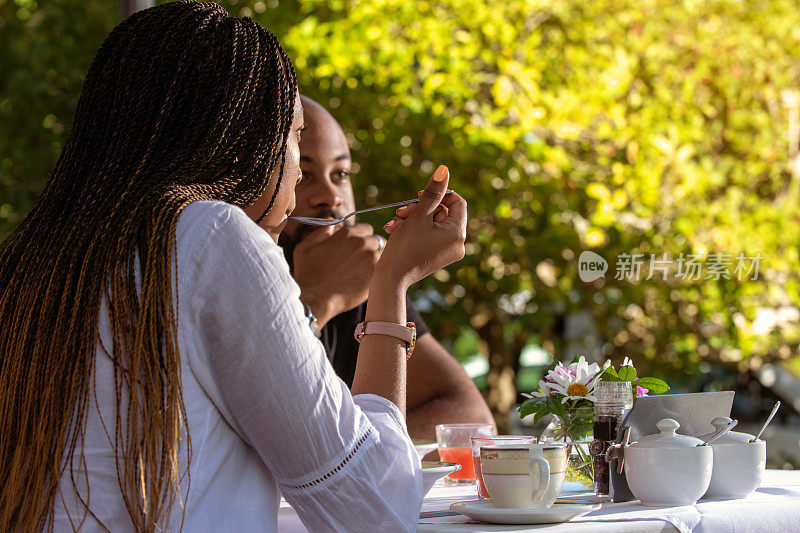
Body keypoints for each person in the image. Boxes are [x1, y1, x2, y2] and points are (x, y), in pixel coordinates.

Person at [0, 3, 468, 531]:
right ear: (240, 145)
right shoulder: (213, 235)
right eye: (294, 138)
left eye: (340, 172)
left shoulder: (39, 255)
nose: (305, 183)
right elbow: (372, 507)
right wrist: (392, 282)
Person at [278, 96, 494, 439]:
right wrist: (318, 299)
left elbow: (471, 420)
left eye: (341, 174)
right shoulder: (233, 271)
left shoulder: (361, 278)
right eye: (304, 175)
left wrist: (370, 448)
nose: (330, 197)